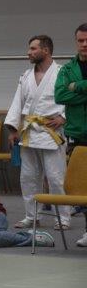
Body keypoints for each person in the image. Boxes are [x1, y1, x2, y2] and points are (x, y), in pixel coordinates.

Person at [5, 35, 70, 230]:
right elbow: (18, 102)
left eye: (33, 49)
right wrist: (13, 129)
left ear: (46, 50)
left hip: (52, 131)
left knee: (56, 178)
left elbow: (72, 97)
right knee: (28, 177)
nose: (29, 52)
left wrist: (64, 116)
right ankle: (32, 216)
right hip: (29, 132)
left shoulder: (62, 72)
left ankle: (63, 218)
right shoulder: (26, 76)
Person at [54, 23, 87, 247]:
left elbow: (70, 92)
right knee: (83, 184)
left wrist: (78, 86)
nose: (84, 44)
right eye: (80, 40)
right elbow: (60, 95)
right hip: (77, 133)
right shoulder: (67, 69)